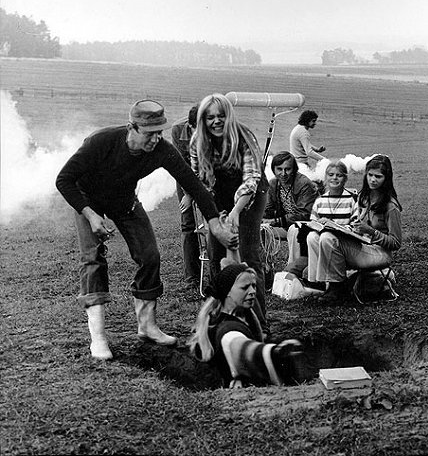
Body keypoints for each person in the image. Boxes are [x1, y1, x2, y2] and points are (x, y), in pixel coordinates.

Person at [56, 99, 238, 361]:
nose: (155, 140)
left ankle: (147, 326)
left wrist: (214, 224)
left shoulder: (161, 150)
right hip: (88, 200)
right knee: (93, 259)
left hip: (124, 201)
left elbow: (194, 186)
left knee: (150, 255)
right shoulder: (101, 141)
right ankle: (98, 337)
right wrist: (91, 215)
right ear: (132, 127)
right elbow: (64, 180)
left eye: (159, 133)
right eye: (149, 134)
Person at [188, 93, 269, 331]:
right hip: (216, 194)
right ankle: (223, 319)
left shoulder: (244, 137)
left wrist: (235, 212)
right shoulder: (197, 141)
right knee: (216, 254)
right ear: (203, 120)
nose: (216, 121)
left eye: (221, 116)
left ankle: (258, 323)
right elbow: (198, 183)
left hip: (250, 195)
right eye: (210, 117)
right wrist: (215, 218)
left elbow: (251, 179)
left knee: (247, 254)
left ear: (229, 116)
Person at [187, 263, 304, 387]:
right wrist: (272, 352)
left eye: (253, 286)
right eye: (245, 287)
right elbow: (236, 344)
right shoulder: (227, 329)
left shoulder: (238, 315)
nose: (253, 291)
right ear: (227, 291)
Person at [307, 154, 402, 302]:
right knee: (320, 236)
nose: (373, 180)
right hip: (362, 245)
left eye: (378, 176)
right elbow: (357, 226)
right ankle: (325, 284)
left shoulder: (390, 206)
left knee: (328, 238)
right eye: (370, 175)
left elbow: (395, 243)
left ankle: (336, 288)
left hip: (379, 253)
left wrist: (371, 232)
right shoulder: (364, 197)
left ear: (386, 178)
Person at [288, 160, 357, 274]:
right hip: (319, 245)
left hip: (343, 243)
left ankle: (327, 276)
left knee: (325, 238)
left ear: (345, 179)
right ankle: (316, 278)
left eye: (339, 175)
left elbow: (356, 228)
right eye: (331, 175)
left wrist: (334, 226)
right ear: (326, 177)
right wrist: (318, 224)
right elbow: (312, 225)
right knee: (311, 237)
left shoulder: (351, 200)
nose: (334, 178)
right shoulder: (320, 201)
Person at [263, 150, 319, 255]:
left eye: (287, 169)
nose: (283, 174)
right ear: (273, 169)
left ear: (294, 169)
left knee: (294, 229)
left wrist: (275, 221)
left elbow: (304, 215)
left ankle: (294, 264)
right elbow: (268, 210)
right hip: (286, 224)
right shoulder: (273, 184)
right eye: (279, 169)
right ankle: (266, 263)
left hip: (308, 226)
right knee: (259, 229)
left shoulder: (304, 183)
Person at [171, 104, 200, 289]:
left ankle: (219, 271)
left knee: (215, 220)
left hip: (212, 174)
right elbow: (180, 165)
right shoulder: (177, 130)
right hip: (186, 175)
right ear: (190, 126)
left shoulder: (218, 130)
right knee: (188, 224)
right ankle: (192, 277)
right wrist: (188, 194)